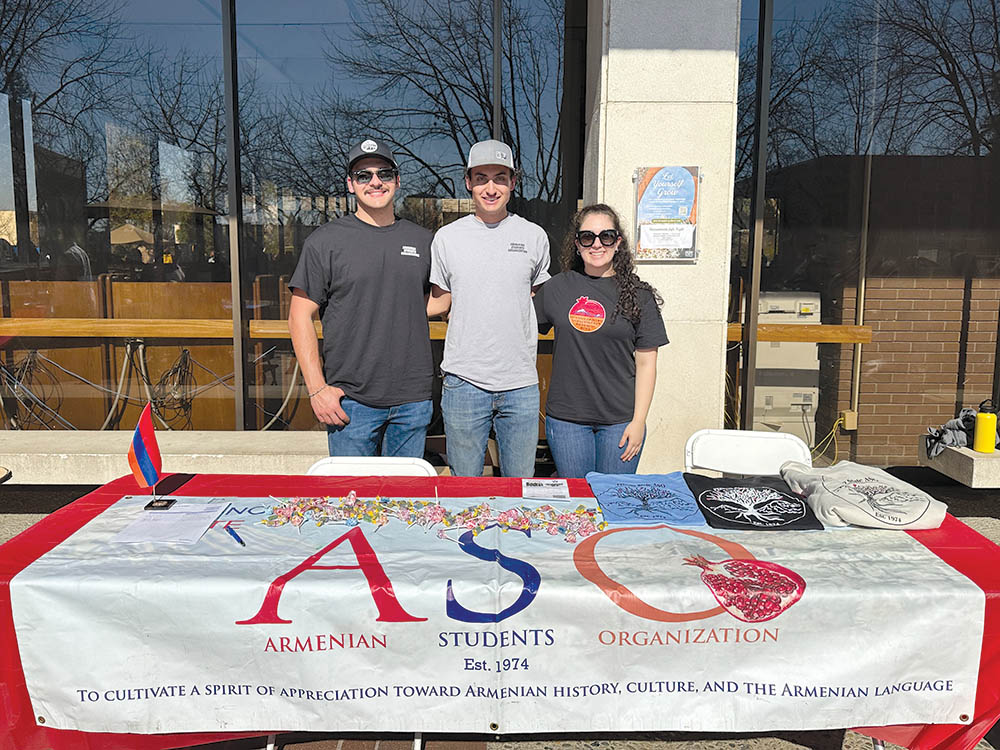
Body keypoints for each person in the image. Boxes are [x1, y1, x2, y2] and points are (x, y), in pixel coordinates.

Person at [287, 137, 434, 457]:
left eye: (384, 173)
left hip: (412, 401)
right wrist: (316, 389)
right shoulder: (325, 242)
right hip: (350, 401)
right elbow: (299, 316)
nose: (375, 182)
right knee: (352, 501)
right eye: (363, 176)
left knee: (406, 504)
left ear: (397, 180)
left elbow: (435, 301)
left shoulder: (424, 241)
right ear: (350, 185)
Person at [429, 139, 551, 477]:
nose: (491, 187)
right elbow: (441, 300)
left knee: (519, 490)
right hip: (464, 381)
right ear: (468, 182)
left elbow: (536, 296)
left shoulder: (534, 236)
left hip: (520, 383)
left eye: (500, 177)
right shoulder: (447, 238)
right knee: (465, 491)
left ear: (513, 182)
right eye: (481, 178)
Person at [533, 203, 668, 477]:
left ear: (618, 242)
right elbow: (517, 327)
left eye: (606, 236)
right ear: (577, 244)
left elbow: (646, 365)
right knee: (579, 502)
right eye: (587, 237)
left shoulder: (639, 296)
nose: (597, 244)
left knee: (615, 500)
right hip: (567, 421)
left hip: (620, 421)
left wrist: (639, 421)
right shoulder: (557, 288)